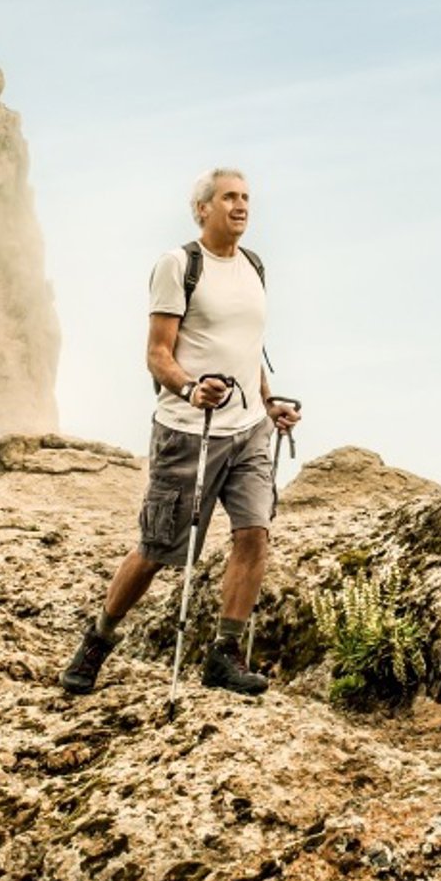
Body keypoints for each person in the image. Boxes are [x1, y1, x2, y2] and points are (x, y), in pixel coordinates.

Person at [60, 167, 301, 697]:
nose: (241, 206)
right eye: (228, 197)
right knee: (157, 549)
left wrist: (267, 403)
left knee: (254, 534)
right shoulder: (179, 265)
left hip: (248, 431)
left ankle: (224, 655)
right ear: (202, 209)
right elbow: (157, 354)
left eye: (245, 197)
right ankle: (98, 639)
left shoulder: (254, 266)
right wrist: (191, 389)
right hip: (189, 432)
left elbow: (246, 350)